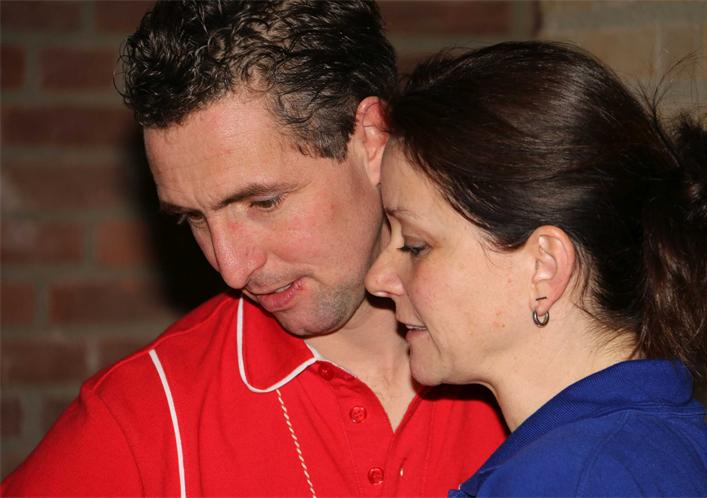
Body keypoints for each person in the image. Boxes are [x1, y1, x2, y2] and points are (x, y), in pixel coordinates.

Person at [1, 2, 506, 496]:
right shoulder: (140, 418)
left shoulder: (531, 354)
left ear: (371, 139)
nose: (232, 269)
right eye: (193, 218)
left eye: (263, 202)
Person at [366, 41, 707, 497]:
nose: (378, 278)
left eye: (415, 245)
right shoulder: (649, 441)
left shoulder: (564, 477)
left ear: (544, 268)